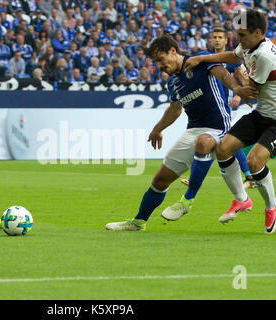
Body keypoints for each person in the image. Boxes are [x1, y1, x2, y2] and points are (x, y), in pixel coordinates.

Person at [106, 34, 255, 231]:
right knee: (160, 179)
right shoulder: (173, 82)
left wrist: (238, 89)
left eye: (161, 59)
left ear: (173, 51)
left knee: (203, 142)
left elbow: (223, 75)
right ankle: (138, 222)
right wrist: (157, 129)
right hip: (193, 129)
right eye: (156, 62)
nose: (159, 65)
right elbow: (176, 109)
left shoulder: (199, 60)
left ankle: (187, 200)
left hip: (220, 127)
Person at [184, 9, 276, 234]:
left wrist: (238, 78)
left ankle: (272, 205)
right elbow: (232, 56)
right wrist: (202, 57)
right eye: (237, 34)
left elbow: (250, 92)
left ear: (257, 33)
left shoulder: (264, 55)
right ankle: (241, 199)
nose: (239, 39)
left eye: (243, 35)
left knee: (255, 162)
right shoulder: (249, 46)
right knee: (223, 148)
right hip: (262, 114)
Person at [181, 27, 257, 190]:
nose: (216, 39)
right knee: (214, 141)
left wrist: (237, 96)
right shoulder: (207, 59)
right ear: (210, 40)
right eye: (214, 37)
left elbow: (244, 78)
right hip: (212, 108)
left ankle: (249, 176)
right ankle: (248, 176)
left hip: (227, 109)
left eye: (220, 37)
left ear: (225, 41)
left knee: (227, 141)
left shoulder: (233, 60)